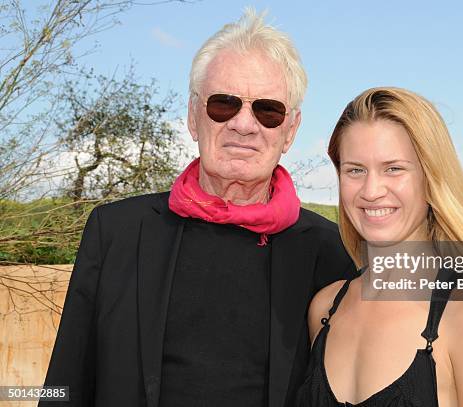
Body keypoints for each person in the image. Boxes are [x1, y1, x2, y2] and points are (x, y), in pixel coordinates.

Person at [41, 10, 356, 407]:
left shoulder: (332, 252)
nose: (244, 124)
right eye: (223, 104)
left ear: (290, 130)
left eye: (267, 110)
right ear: (193, 116)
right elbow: (66, 383)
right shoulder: (116, 233)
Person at [296, 87, 463, 406]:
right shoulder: (324, 308)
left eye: (394, 168)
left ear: (431, 179)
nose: (371, 190)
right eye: (355, 170)